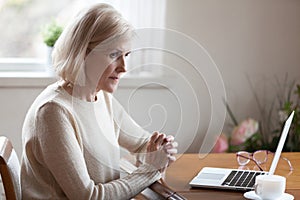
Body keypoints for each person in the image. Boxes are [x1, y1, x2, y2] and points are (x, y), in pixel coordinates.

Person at [20, 3, 178, 200]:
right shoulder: (53, 111)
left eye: (126, 55)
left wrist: (162, 148)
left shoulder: (101, 97)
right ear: (83, 54)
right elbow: (89, 197)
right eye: (114, 55)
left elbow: (143, 144)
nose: (124, 68)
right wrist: (150, 169)